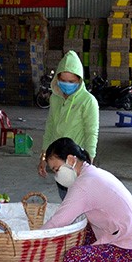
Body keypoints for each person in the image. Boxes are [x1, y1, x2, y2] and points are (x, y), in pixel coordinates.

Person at [39, 137, 132, 262]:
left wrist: (32, 238)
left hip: (129, 252)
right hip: (130, 237)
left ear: (71, 160)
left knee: (74, 258)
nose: (57, 176)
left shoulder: (84, 184)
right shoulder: (90, 173)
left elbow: (59, 221)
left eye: (57, 169)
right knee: (81, 233)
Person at [37, 50, 99, 200]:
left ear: (79, 81)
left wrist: (89, 163)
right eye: (63, 80)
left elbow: (92, 133)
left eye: (72, 81)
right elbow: (50, 127)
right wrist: (44, 156)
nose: (67, 84)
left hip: (76, 163)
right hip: (59, 161)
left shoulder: (88, 101)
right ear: (57, 78)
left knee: (80, 203)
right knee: (65, 199)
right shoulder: (55, 99)